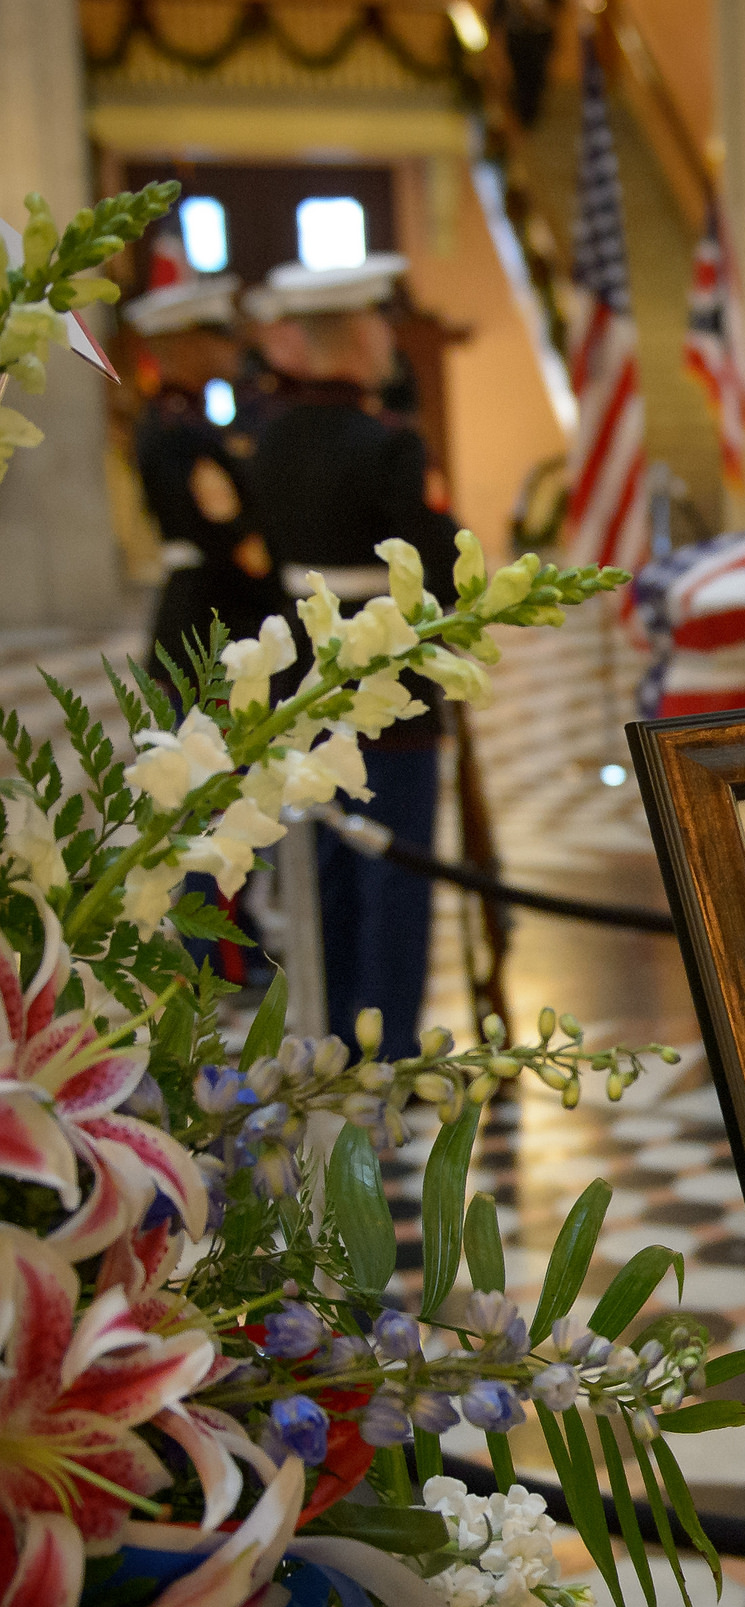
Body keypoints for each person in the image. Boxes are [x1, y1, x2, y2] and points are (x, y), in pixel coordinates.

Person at [247, 254, 459, 1061]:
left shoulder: (268, 440)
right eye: (376, 321)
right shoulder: (389, 445)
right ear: (356, 334)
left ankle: (333, 1033)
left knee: (325, 867)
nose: (385, 337)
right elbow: (441, 560)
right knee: (395, 873)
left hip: (304, 679)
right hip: (389, 681)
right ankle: (391, 1041)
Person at [125, 271, 285, 684]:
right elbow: (224, 533)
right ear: (188, 345)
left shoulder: (185, 422)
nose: (234, 348)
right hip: (208, 624)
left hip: (208, 615)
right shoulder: (179, 432)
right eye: (219, 336)